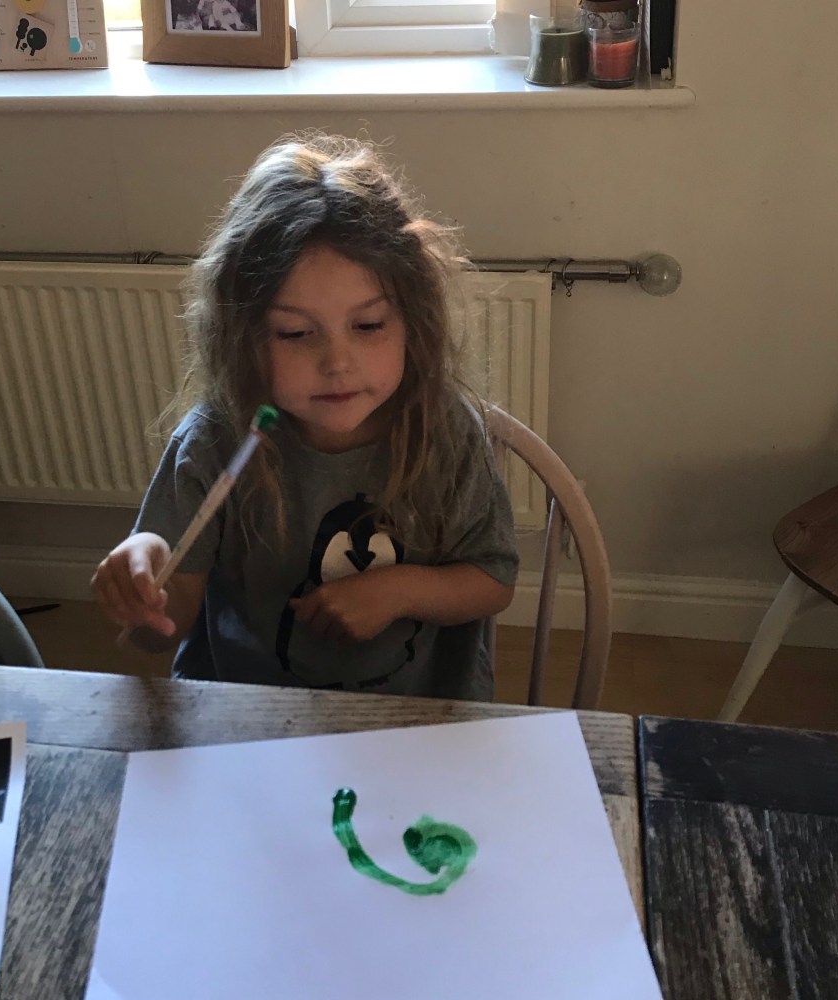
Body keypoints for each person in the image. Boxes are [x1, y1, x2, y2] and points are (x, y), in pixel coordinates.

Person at [92, 133, 519, 700]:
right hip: (252, 716)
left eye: (368, 326)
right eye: (295, 333)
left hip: (418, 719)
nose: (338, 363)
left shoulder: (443, 430)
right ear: (244, 337)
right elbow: (158, 633)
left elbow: (493, 579)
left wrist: (396, 591)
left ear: (413, 323)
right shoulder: (216, 441)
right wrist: (144, 590)